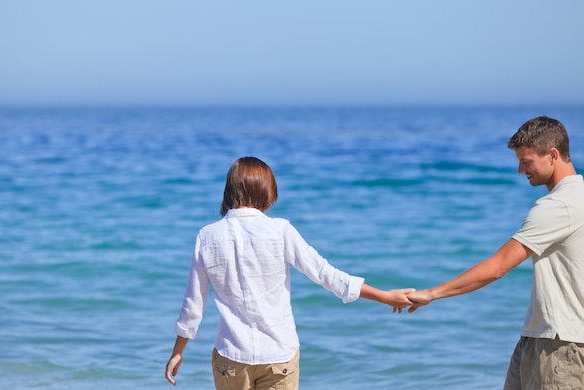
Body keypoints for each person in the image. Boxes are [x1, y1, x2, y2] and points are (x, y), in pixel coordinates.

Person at [165, 156, 415, 389]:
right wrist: (385, 296)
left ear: (230, 190)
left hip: (232, 356)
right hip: (278, 355)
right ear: (266, 190)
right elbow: (325, 274)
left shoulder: (207, 236)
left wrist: (178, 351)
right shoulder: (280, 230)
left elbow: (193, 304)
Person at [406, 116, 584, 389]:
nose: (520, 169)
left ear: (552, 155)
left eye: (526, 161)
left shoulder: (557, 206)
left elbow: (498, 266)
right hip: (543, 336)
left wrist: (432, 294)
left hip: (558, 345)